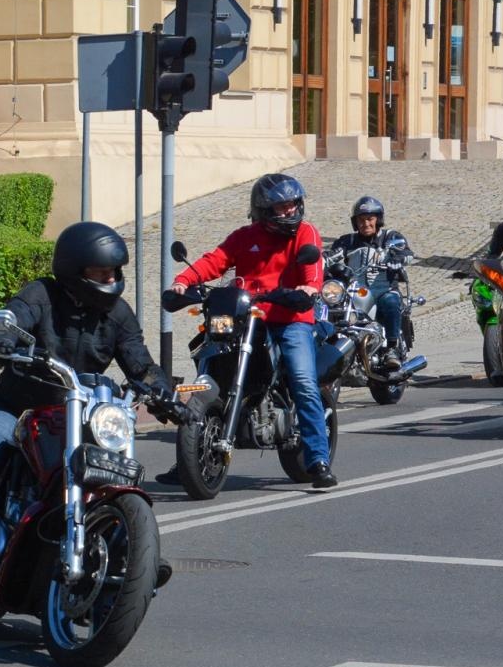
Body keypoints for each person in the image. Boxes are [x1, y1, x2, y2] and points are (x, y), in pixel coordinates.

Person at [0, 221, 178, 557]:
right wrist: (2, 340)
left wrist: (163, 391)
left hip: (79, 412)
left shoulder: (118, 314)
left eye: (114, 272)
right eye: (101, 273)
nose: (110, 281)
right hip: (18, 405)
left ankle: (134, 548)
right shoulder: (41, 294)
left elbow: (141, 364)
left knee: (115, 455)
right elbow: (15, 317)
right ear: (73, 271)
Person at [168, 173, 337, 490]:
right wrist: (183, 281)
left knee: (302, 379)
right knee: (212, 362)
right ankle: (190, 457)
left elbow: (312, 270)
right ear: (263, 210)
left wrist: (309, 288)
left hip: (291, 318)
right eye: (280, 206)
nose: (288, 211)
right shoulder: (245, 236)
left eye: (291, 205)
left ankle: (318, 459)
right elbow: (215, 260)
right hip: (248, 317)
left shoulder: (305, 234)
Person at [328, 195, 413, 371]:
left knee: (391, 301)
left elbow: (406, 252)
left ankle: (392, 349)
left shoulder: (390, 237)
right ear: (355, 222)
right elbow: (332, 255)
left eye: (370, 219)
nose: (365, 224)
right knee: (332, 306)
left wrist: (398, 258)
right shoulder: (348, 241)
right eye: (361, 220)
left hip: (384, 289)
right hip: (356, 291)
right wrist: (322, 260)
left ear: (378, 220)